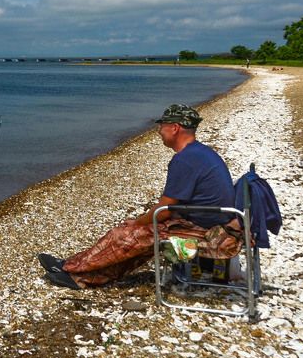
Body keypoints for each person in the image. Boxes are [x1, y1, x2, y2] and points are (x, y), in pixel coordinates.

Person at [38, 104, 236, 289]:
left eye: (162, 126)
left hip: (204, 228)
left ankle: (71, 271)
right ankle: (81, 272)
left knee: (125, 235)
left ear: (175, 128)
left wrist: (137, 223)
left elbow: (165, 209)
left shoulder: (186, 159)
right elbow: (170, 206)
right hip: (209, 220)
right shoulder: (199, 153)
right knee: (139, 238)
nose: (159, 131)